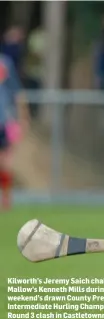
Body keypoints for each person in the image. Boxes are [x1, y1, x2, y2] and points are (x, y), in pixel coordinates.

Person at [0, 53, 30, 211]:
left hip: (4, 122)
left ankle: (6, 198)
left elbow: (18, 93)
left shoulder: (5, 62)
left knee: (5, 163)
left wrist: (23, 118)